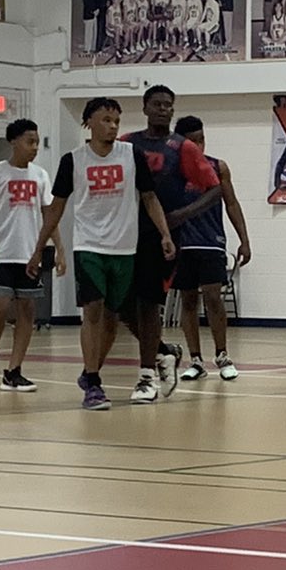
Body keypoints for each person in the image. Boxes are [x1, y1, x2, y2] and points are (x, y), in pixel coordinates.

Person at [39, 97, 171, 410]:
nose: (112, 127)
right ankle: (94, 384)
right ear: (88, 123)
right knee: (93, 310)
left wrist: (165, 233)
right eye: (106, 120)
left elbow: (149, 198)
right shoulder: (73, 160)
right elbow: (56, 207)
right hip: (89, 246)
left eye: (116, 122)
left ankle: (90, 373)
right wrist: (39, 247)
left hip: (124, 247)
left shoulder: (131, 155)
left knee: (112, 318)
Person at [125, 86, 219, 404]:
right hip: (125, 232)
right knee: (119, 305)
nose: (163, 109)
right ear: (145, 107)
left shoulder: (182, 147)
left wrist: (181, 215)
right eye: (158, 104)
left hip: (162, 235)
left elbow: (214, 188)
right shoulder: (127, 143)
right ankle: (164, 351)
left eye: (169, 105)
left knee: (148, 303)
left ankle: (146, 376)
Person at [169, 114, 252, 381]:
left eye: (201, 139)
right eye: (193, 141)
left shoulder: (217, 167)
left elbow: (232, 203)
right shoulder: (172, 170)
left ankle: (222, 355)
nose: (199, 145)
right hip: (182, 244)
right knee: (188, 301)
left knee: (214, 298)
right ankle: (195, 360)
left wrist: (244, 240)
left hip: (211, 242)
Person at [0, 118, 51, 393]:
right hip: (2, 252)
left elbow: (48, 215)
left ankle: (14, 371)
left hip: (30, 254)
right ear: (14, 142)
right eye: (30, 141)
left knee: (27, 310)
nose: (35, 147)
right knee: (1, 306)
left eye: (37, 142)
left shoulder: (40, 175)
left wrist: (58, 249)